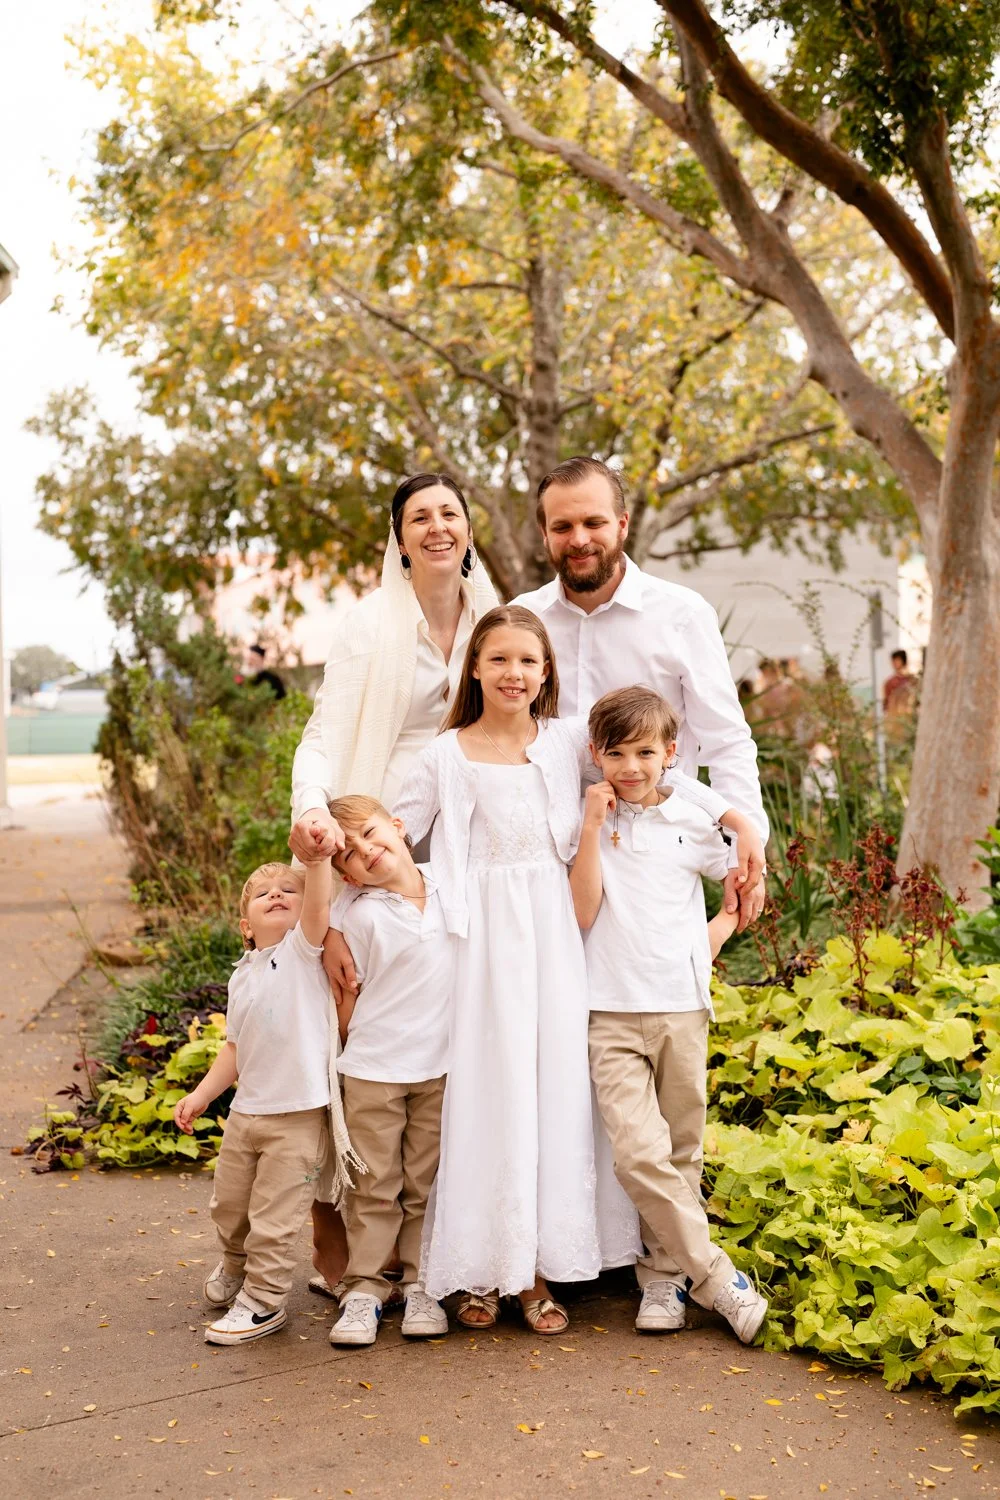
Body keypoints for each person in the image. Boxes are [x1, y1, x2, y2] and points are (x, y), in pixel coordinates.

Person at [391, 605, 640, 1336]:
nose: (514, 674)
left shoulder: (567, 742)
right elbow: (393, 841)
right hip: (478, 944)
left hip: (557, 937)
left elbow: (647, 770)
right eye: (498, 659)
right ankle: (481, 1268)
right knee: (488, 1094)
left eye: (528, 661)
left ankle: (535, 1270)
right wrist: (337, 915)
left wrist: (734, 821)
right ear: (474, 668)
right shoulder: (444, 755)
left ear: (547, 673)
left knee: (553, 1092)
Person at [288, 474, 498, 1291]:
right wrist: (318, 824)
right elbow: (325, 734)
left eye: (450, 513)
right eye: (420, 517)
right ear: (400, 539)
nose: (438, 527)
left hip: (464, 847)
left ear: (468, 529)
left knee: (455, 1042)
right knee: (353, 1037)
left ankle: (452, 1239)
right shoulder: (372, 625)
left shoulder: (494, 613)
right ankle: (338, 1232)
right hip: (377, 838)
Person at [570, 685, 769, 1344]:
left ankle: (664, 1278)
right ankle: (716, 1277)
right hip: (611, 1010)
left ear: (670, 754)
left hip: (684, 1004)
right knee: (637, 1152)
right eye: (617, 752)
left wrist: (715, 931)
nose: (631, 766)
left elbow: (743, 892)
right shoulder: (588, 821)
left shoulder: (689, 821)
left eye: (646, 751)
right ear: (596, 754)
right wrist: (594, 828)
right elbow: (583, 911)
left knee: (681, 1150)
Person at [512, 456, 768, 928]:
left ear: (622, 525)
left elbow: (727, 742)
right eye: (563, 526)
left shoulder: (682, 614)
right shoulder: (521, 622)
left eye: (594, 522)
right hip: (542, 864)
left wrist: (744, 850)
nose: (580, 539)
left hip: (656, 867)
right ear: (545, 533)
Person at [172, 858, 359, 1346]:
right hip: (246, 1113)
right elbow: (233, 1048)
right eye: (264, 894)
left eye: (288, 891)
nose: (277, 895)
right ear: (245, 927)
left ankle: (263, 1302)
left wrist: (315, 862)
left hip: (297, 1117)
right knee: (229, 1206)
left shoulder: (301, 953)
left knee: (275, 1219)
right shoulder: (243, 977)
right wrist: (201, 1095)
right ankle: (236, 1265)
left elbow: (317, 903)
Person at [325, 794, 453, 1349]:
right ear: (345, 878)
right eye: (349, 855)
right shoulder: (356, 914)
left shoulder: (451, 885)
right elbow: (343, 999)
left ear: (399, 826)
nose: (366, 852)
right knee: (373, 1185)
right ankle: (365, 1289)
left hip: (442, 1066)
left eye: (372, 834)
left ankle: (425, 1283)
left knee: (428, 1182)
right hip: (375, 1067)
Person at [883, 648, 917, 719]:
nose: (894, 663)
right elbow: (886, 702)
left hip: (910, 716)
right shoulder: (890, 682)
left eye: (897, 660)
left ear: (903, 661)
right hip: (894, 717)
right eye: (893, 660)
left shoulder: (913, 680)